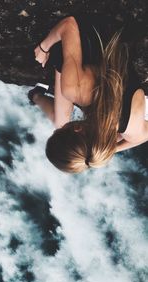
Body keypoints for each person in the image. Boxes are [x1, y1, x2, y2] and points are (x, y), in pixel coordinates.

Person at [29, 14, 148, 173]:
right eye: (61, 132)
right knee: (65, 101)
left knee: (59, 121)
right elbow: (69, 24)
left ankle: (36, 95)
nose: (62, 128)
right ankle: (36, 95)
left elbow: (143, 137)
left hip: (116, 58)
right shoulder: (76, 90)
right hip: (98, 35)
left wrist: (108, 149)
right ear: (77, 128)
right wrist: (44, 47)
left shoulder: (130, 127)